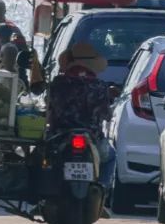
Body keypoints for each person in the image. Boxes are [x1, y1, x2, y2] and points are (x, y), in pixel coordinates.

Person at [47, 40, 116, 192]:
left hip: (58, 136)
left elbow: (49, 111)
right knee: (111, 157)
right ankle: (102, 190)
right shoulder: (99, 86)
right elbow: (106, 115)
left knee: (41, 158)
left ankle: (41, 196)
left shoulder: (58, 82)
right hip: (92, 137)